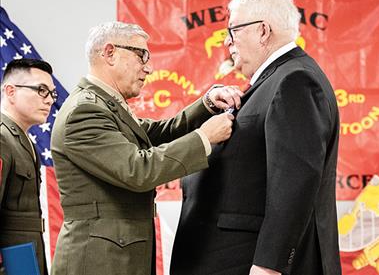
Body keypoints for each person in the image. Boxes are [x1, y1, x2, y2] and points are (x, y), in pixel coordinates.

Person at [171, 0, 342, 275]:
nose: (227, 42)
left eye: (233, 30)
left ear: (263, 31)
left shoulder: (295, 81)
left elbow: (294, 182)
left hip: (250, 264)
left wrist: (268, 266)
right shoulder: (276, 81)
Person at [50, 21, 242, 275]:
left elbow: (157, 133)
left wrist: (206, 104)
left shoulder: (106, 105)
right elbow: (138, 170)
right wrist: (204, 138)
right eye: (141, 55)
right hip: (98, 261)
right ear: (109, 53)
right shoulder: (85, 111)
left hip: (115, 255)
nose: (149, 68)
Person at [1, 58, 57, 275]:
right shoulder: (2, 137)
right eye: (41, 90)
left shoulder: (23, 140)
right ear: (11, 91)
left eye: (52, 93)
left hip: (25, 260)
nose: (50, 100)